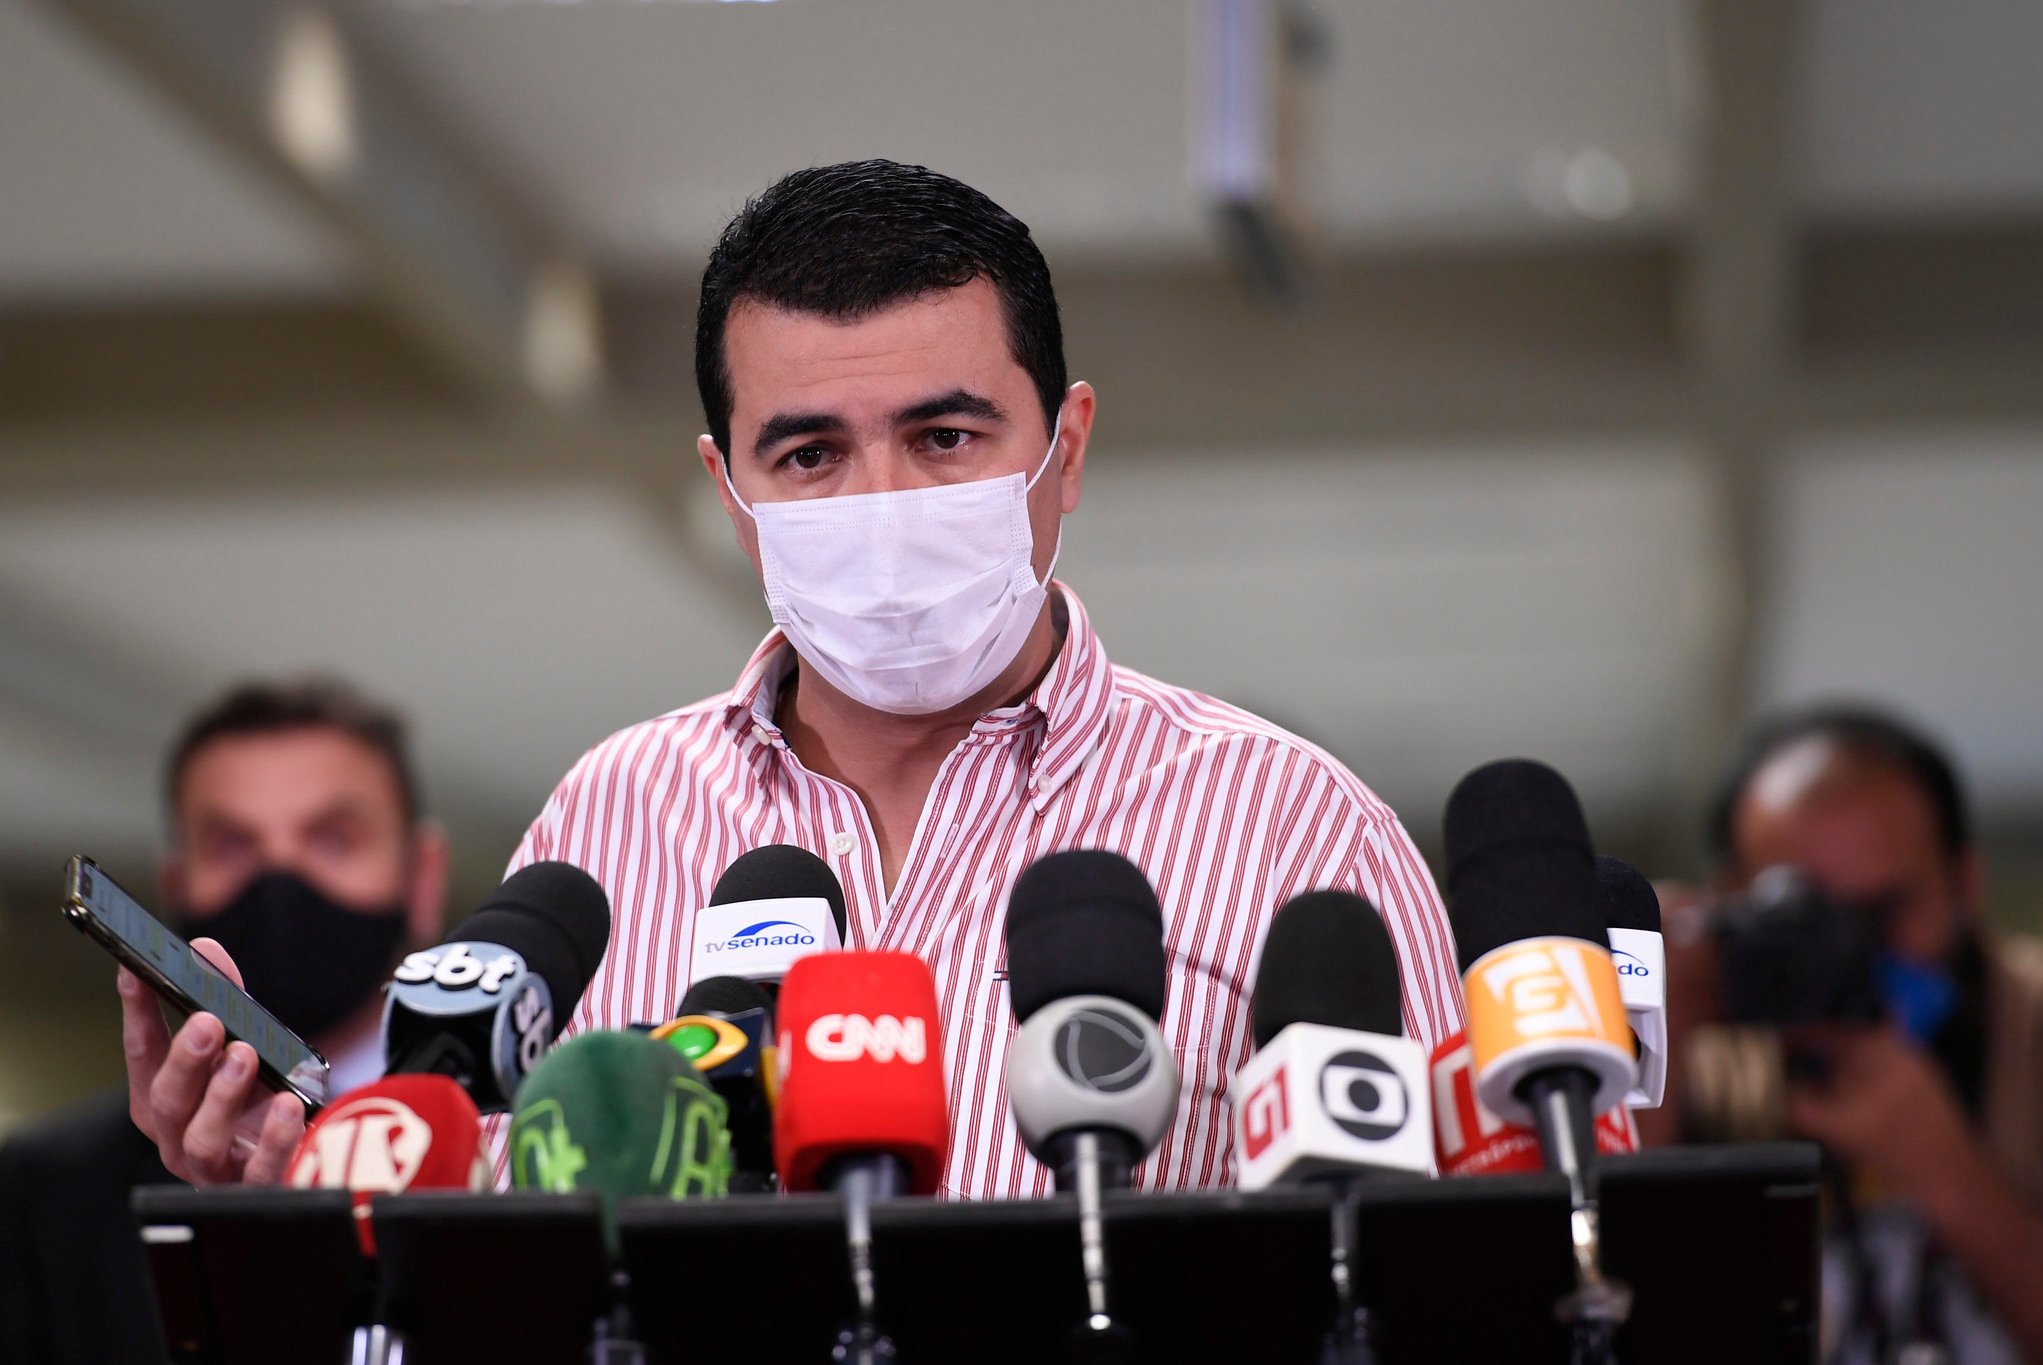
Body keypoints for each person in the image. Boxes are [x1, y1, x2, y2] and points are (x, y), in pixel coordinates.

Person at [122, 159, 1463, 1200]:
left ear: (1065, 447)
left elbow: (1481, 1255)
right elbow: (494, 1259)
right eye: (811, 455)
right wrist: (293, 1200)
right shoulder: (612, 821)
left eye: (945, 435)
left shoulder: (1299, 831)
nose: (882, 505)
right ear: (730, 489)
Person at [0, 678, 447, 1365]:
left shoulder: (513, 1142)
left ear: (422, 878)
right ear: (177, 885)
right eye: (233, 845)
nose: (281, 879)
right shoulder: (43, 1197)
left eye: (334, 839)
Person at [1680, 705, 2043, 1363]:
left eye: (1883, 910)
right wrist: (1659, 1020)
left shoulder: (2035, 1031)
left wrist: (1948, 1173)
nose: (1850, 951)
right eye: (1804, 914)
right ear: (1730, 902)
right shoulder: (1711, 1055)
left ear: (1965, 883)